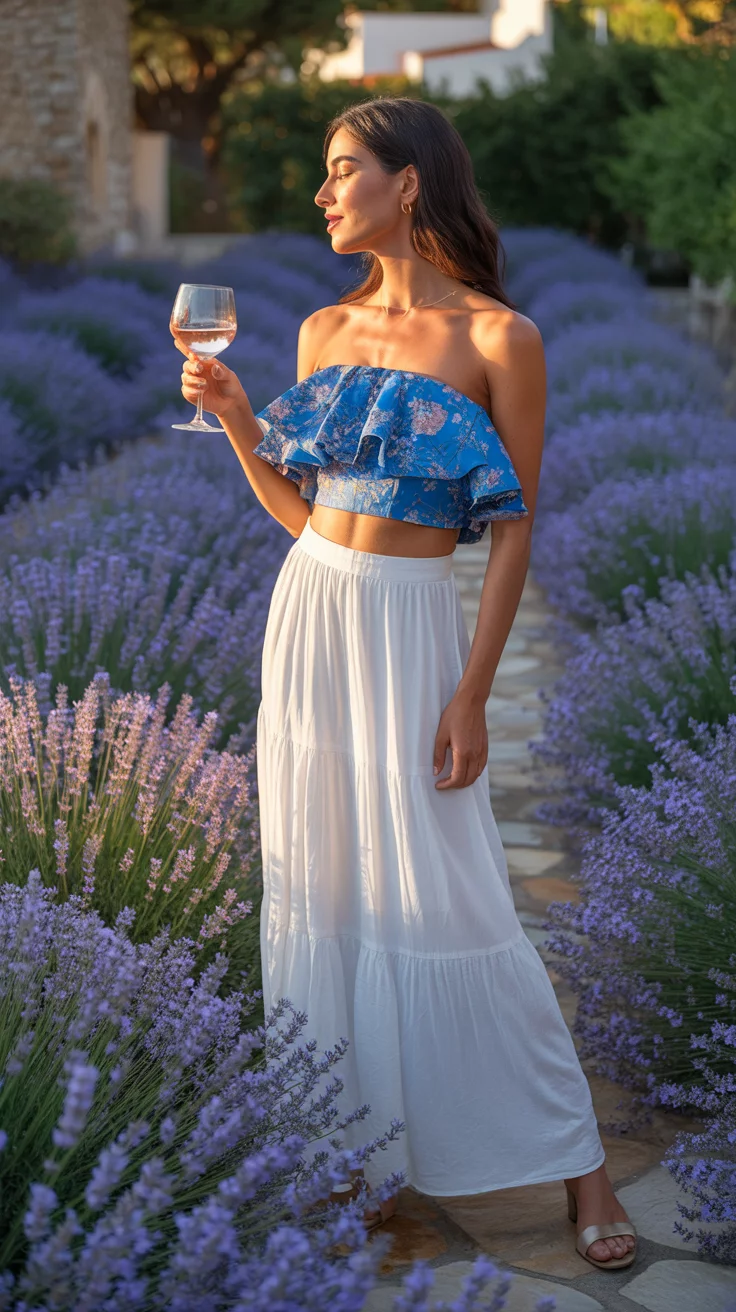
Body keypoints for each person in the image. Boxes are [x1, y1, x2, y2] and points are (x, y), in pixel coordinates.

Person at [173, 96, 637, 1272]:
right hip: (313, 620)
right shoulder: (320, 332)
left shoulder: (499, 340)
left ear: (408, 183)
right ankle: (351, 1155)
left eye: (341, 171)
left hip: (413, 633)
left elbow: (512, 535)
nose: (323, 195)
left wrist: (472, 691)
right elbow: (304, 518)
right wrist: (237, 423)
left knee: (457, 892)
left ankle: (578, 1162)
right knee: (323, 891)